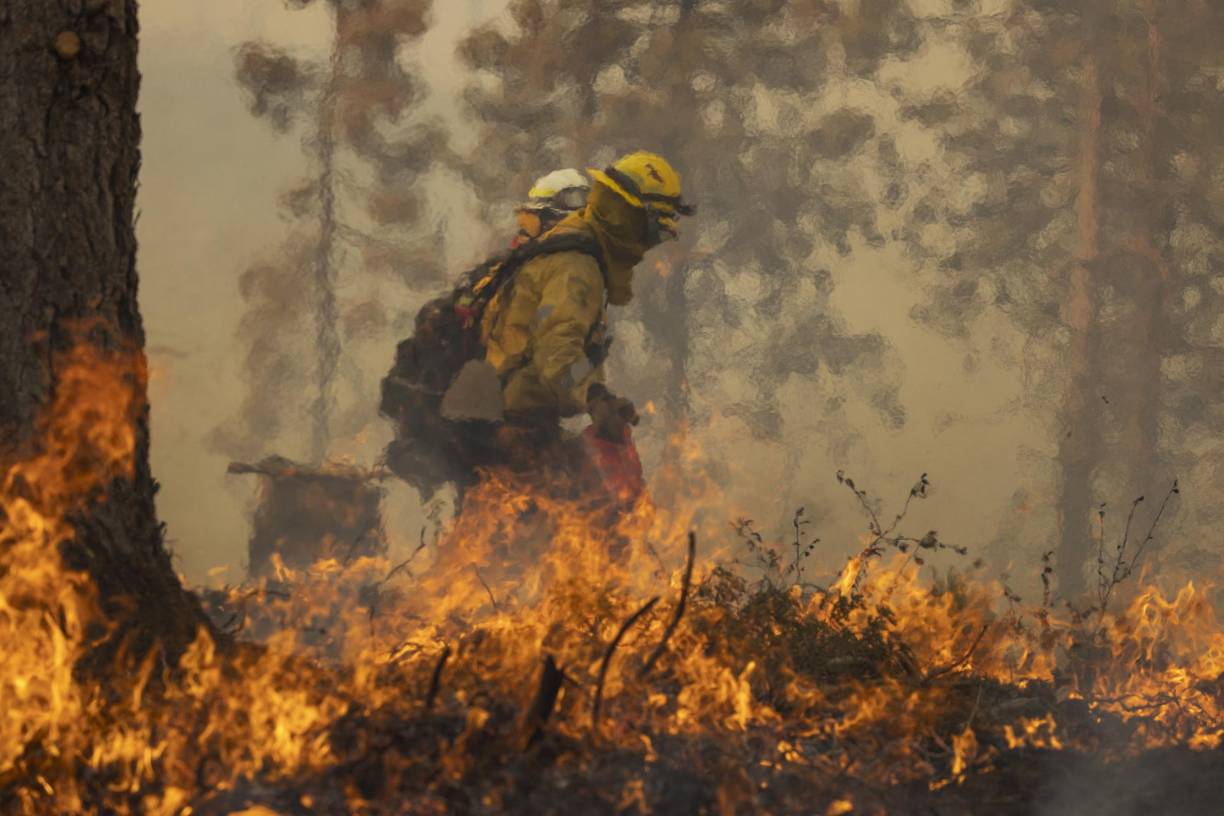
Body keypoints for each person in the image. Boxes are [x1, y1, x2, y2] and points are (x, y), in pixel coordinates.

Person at [476, 150, 695, 498]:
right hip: (510, 433)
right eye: (654, 233)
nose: (647, 248)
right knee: (592, 517)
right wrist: (596, 397)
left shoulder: (571, 245)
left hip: (507, 427)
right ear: (633, 219)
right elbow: (557, 349)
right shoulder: (577, 265)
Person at [511, 168, 590, 247]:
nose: (579, 206)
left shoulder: (587, 235)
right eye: (572, 198)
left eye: (582, 197)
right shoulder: (528, 245)